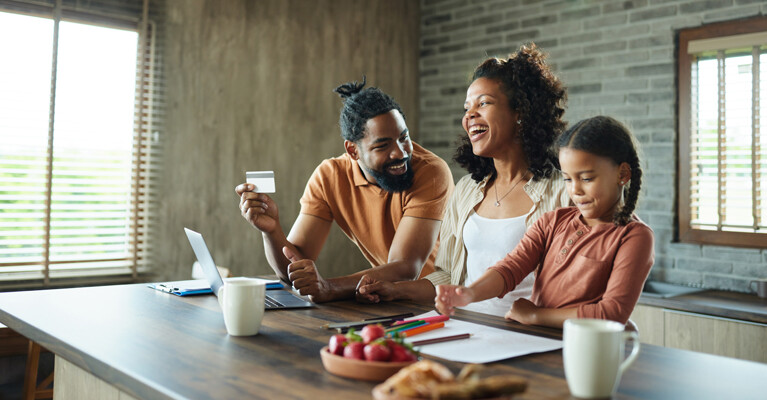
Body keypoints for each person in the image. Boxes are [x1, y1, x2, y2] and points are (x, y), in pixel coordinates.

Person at [356, 44, 570, 316]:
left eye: (484, 104)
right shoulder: (468, 190)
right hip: (469, 330)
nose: (469, 116)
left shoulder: (564, 192)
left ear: (520, 113)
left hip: (531, 340)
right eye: (467, 108)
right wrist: (395, 289)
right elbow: (448, 276)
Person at [235, 77, 453, 303]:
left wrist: (329, 287)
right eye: (382, 145)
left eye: (403, 137)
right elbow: (295, 271)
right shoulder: (330, 176)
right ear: (352, 150)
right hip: (388, 300)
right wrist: (272, 231)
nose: (400, 153)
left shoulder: (431, 172)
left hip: (442, 301)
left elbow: (407, 267)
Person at [435, 116, 654, 327]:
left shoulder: (634, 237)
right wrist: (470, 293)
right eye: (568, 178)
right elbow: (511, 268)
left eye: (586, 178)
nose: (575, 190)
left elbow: (611, 313)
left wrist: (536, 316)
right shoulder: (553, 221)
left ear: (623, 174)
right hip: (538, 345)